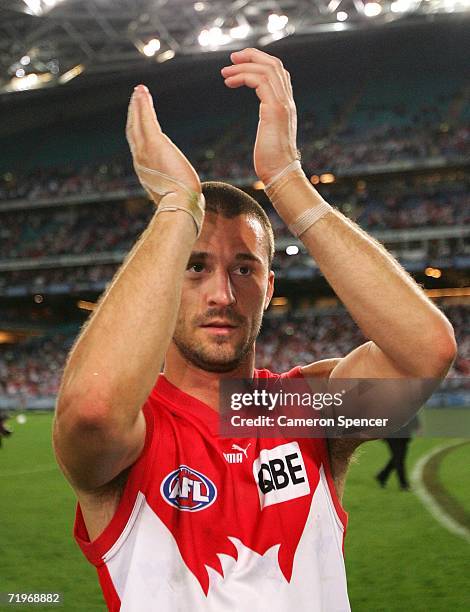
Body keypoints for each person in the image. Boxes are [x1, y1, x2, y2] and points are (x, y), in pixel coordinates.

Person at [53, 48, 456, 611]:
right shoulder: (135, 431)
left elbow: (425, 353)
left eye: (244, 269)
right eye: (194, 267)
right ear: (162, 282)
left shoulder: (304, 410)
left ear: (268, 288)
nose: (222, 294)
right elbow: (92, 408)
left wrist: (287, 178)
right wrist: (176, 205)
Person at [376, 415, 421, 490]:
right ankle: (403, 484)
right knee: (399, 459)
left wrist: (417, 427)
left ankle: (382, 476)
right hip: (392, 436)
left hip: (404, 436)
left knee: (397, 458)